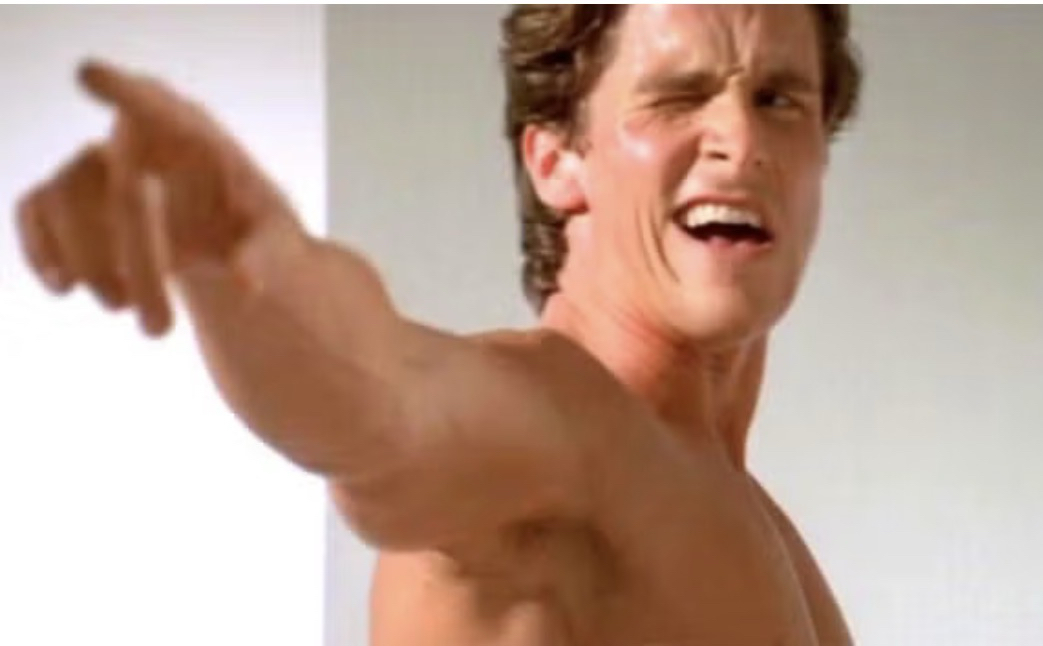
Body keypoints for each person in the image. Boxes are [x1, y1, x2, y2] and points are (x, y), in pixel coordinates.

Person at [13, 4, 861, 645]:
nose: (740, 137)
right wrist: (242, 260)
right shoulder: (560, 430)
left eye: (779, 99)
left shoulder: (742, 504)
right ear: (556, 162)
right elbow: (388, 404)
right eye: (677, 96)